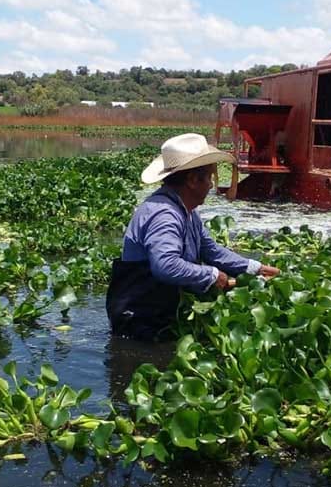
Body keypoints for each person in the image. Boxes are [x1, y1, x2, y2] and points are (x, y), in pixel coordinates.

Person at [106, 133, 280, 340]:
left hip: (160, 313)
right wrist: (213, 275)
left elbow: (210, 250)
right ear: (192, 180)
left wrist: (254, 268)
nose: (211, 185)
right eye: (209, 177)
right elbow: (166, 265)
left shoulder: (186, 211)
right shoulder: (165, 214)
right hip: (139, 319)